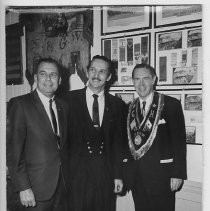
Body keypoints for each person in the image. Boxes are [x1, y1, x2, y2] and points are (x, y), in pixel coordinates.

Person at [63, 55, 126, 211]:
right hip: (76, 176)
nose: (96, 75)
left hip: (106, 176)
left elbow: (119, 144)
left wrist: (118, 175)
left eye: (102, 71)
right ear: (87, 72)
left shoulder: (118, 105)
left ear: (109, 76)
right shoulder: (67, 100)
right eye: (93, 70)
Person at [7, 57, 70, 211]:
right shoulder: (20, 104)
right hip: (34, 190)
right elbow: (13, 151)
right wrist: (23, 187)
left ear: (60, 80)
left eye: (53, 75)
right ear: (35, 78)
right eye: (43, 74)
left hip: (62, 187)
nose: (48, 79)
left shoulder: (63, 106)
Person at [124, 63, 187, 211]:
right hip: (137, 177)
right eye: (137, 79)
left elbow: (179, 142)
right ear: (132, 81)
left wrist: (178, 174)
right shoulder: (128, 108)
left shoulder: (171, 104)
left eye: (145, 78)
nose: (141, 84)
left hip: (162, 177)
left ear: (154, 80)